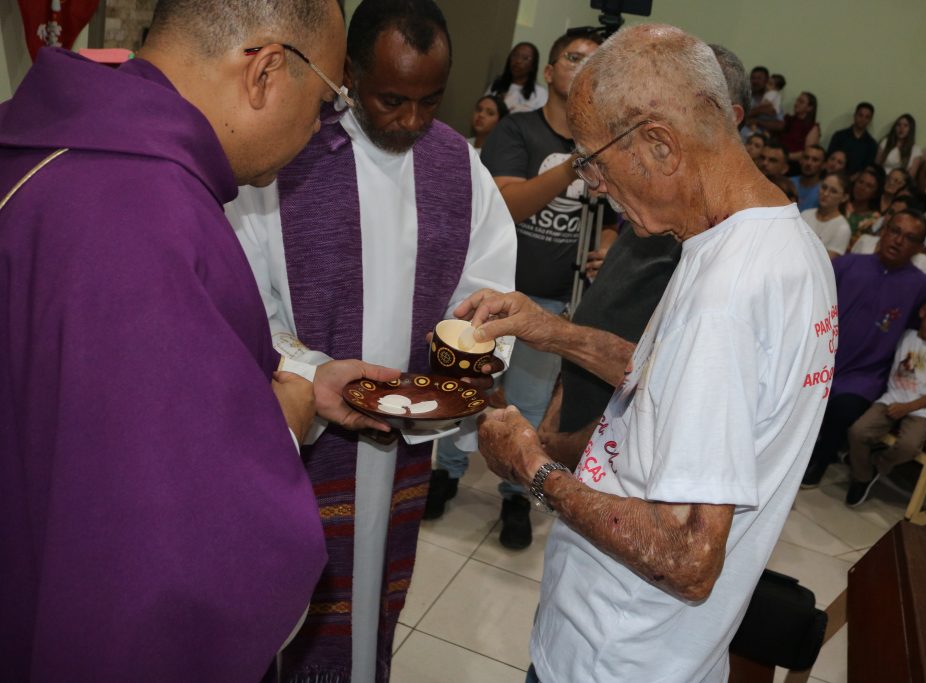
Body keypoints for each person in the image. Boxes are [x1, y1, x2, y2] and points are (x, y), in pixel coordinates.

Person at [0, 0, 397, 680]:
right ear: (266, 72)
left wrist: (304, 375)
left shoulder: (53, 147)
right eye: (327, 99)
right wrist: (284, 423)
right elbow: (177, 541)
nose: (318, 126)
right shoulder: (148, 215)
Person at [459, 25, 838, 682]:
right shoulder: (780, 242)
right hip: (665, 652)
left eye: (594, 161)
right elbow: (673, 379)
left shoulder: (727, 295)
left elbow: (687, 558)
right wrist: (550, 330)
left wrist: (534, 469)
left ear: (660, 145)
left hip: (615, 654)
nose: (593, 185)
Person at [225, 1, 517, 680]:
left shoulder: (458, 165)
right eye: (392, 99)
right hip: (306, 430)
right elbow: (244, 299)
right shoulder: (285, 151)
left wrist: (472, 357)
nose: (412, 121)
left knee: (374, 601)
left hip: (407, 437)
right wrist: (318, 372)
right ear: (349, 73)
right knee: (290, 611)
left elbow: (486, 286)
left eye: (429, 101)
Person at [428, 30, 610, 549]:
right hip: (498, 293)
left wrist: (609, 244)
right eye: (573, 57)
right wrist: (574, 164)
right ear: (549, 72)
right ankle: (448, 470)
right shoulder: (518, 130)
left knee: (528, 402)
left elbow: (614, 214)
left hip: (554, 299)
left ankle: (514, 494)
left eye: (595, 61)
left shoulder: (606, 140)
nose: (583, 66)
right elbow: (508, 205)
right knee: (471, 385)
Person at [538, 41, 752, 462]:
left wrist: (571, 447)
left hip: (613, 445)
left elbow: (662, 381)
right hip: (581, 418)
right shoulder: (656, 201)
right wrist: (558, 410)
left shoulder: (719, 234)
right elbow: (600, 311)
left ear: (729, 117)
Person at [801, 211, 926, 488]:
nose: (898, 241)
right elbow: (810, 290)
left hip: (864, 376)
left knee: (842, 409)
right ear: (884, 231)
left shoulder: (921, 285)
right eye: (895, 231)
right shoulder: (849, 264)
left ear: (919, 248)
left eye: (910, 238)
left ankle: (821, 459)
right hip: (822, 360)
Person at [845, 289, 926, 506]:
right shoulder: (906, 335)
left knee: (909, 447)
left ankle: (877, 464)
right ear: (923, 311)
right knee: (858, 431)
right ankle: (862, 477)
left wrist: (907, 407)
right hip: (892, 398)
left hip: (922, 410)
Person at [487, 41, 547, 113]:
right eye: (515, 55)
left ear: (533, 65)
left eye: (525, 58)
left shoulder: (540, 93)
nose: (518, 61)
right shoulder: (496, 85)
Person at [802, 172, 851, 258]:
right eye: (824, 187)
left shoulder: (842, 228)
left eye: (833, 191)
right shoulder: (805, 214)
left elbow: (827, 262)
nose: (825, 194)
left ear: (844, 198)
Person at [826, 102, 878, 174]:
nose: (862, 119)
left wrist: (853, 178)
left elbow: (866, 168)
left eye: (867, 117)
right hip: (834, 176)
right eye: (860, 115)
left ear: (870, 120)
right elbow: (829, 158)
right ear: (855, 115)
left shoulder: (872, 144)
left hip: (857, 180)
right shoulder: (839, 136)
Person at [780, 91, 821, 165]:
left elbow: (808, 152)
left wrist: (784, 156)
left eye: (801, 102)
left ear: (809, 108)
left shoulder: (812, 127)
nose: (796, 104)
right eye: (797, 100)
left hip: (793, 163)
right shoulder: (787, 119)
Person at [845, 165, 884, 240]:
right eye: (860, 182)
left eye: (869, 186)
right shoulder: (841, 205)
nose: (862, 187)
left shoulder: (875, 218)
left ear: (875, 193)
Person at [742, 65, 783, 137]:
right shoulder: (744, 97)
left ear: (767, 81)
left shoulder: (774, 99)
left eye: (759, 78)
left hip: (762, 139)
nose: (755, 81)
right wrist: (760, 110)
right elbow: (737, 116)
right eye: (753, 78)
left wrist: (757, 121)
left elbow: (780, 125)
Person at [790, 143, 825, 210]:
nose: (809, 163)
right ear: (800, 160)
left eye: (815, 160)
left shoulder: (824, 190)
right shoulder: (789, 183)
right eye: (806, 158)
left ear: (823, 165)